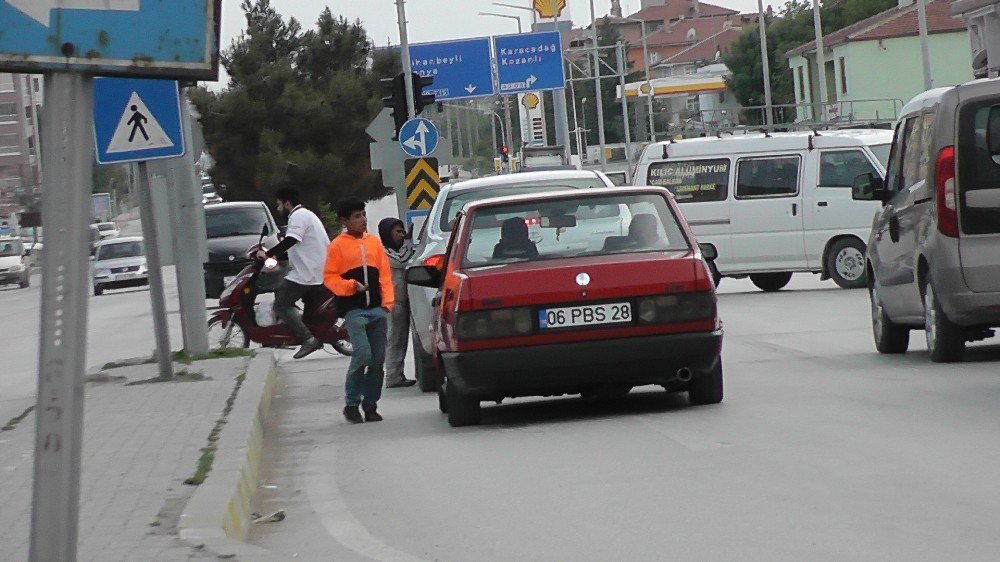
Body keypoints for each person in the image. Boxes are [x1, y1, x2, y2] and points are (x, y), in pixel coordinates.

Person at [324, 198, 394, 424]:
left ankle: (371, 405)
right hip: (354, 311)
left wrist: (387, 304)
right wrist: (350, 286)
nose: (363, 220)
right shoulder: (337, 246)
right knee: (362, 354)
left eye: (363, 215)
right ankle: (352, 402)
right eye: (357, 216)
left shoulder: (374, 243)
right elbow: (330, 278)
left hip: (376, 309)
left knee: (377, 360)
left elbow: (384, 275)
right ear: (345, 221)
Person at [256, 186, 330, 359]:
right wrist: (277, 256)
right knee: (284, 290)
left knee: (281, 305)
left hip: (309, 273)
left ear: (288, 203)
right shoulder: (306, 215)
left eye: (279, 204)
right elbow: (295, 245)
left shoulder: (298, 216)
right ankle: (297, 327)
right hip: (314, 269)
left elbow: (291, 240)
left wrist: (268, 254)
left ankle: (308, 339)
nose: (278, 208)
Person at [378, 218, 417, 388]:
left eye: (402, 231)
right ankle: (393, 376)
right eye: (398, 232)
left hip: (403, 300)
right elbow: (402, 261)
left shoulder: (397, 250)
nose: (401, 235)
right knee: (395, 340)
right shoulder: (384, 252)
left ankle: (396, 374)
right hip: (393, 302)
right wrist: (409, 242)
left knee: (401, 340)